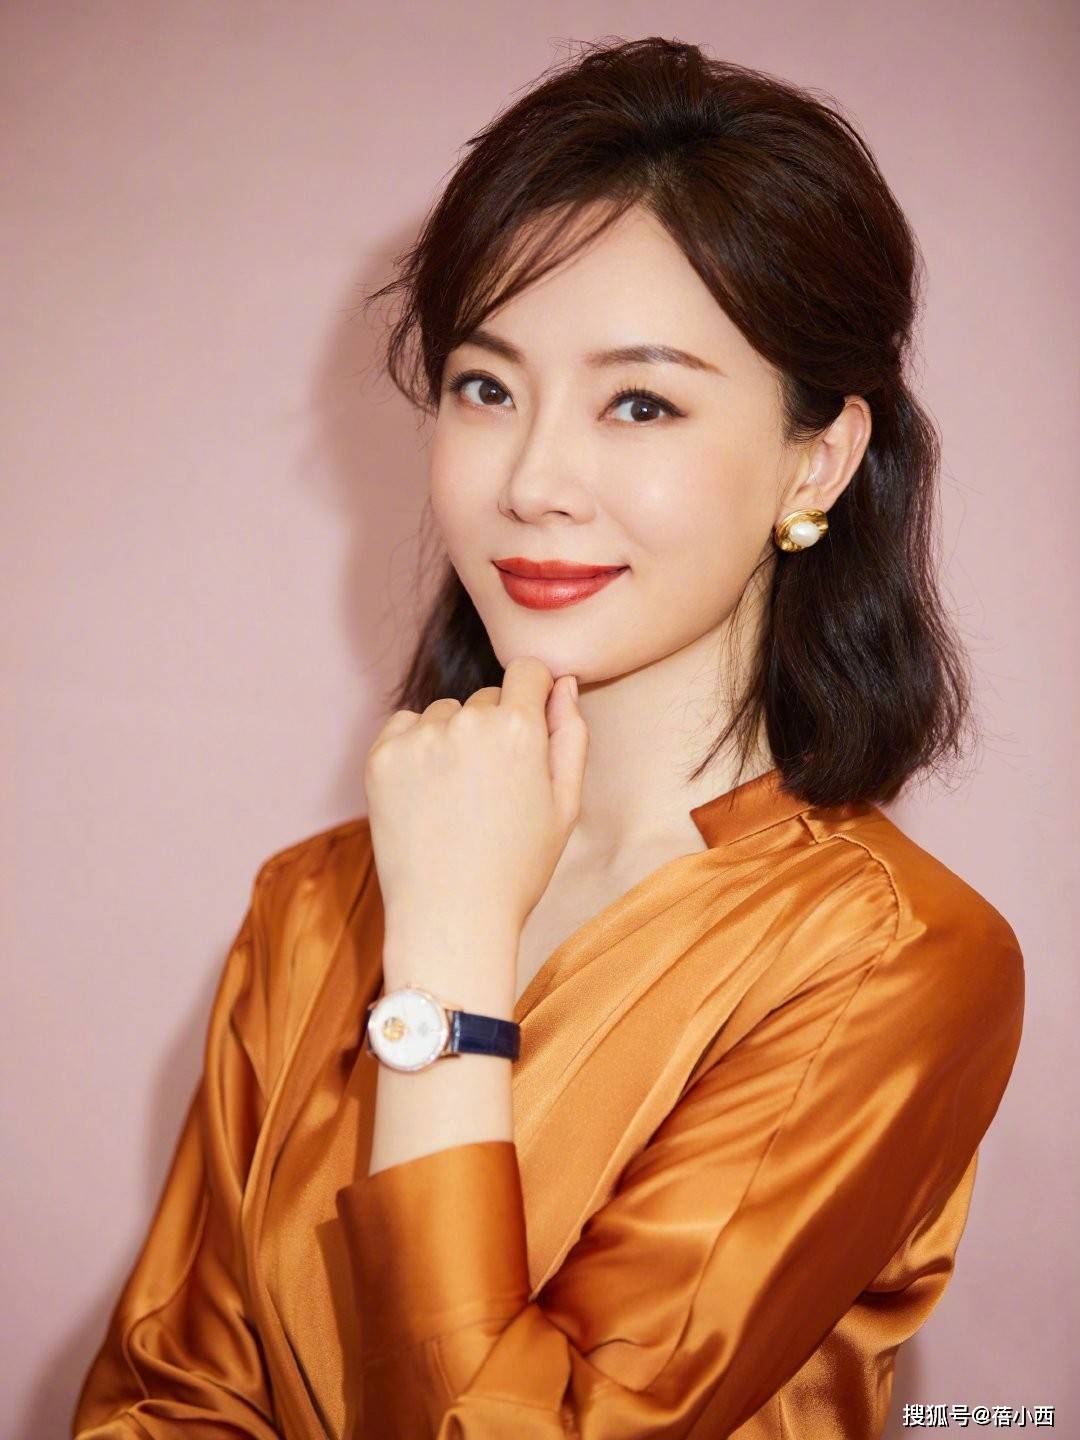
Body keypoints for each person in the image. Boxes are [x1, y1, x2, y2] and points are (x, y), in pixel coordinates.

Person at [72, 35, 1025, 1440]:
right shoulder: (313, 904)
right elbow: (164, 1401)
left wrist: (450, 954)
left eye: (641, 402)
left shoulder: (894, 959)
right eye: (486, 386)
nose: (532, 480)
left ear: (816, 458)